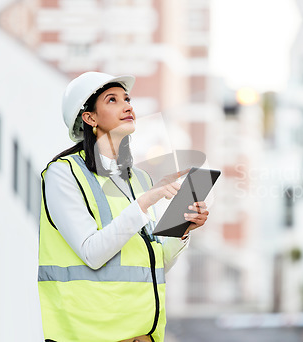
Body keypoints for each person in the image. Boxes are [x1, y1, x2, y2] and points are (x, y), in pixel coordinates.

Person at [38, 71, 209, 342]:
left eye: (127, 98)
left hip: (143, 336)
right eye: (112, 100)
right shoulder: (64, 174)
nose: (128, 105)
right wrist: (144, 203)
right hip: (89, 335)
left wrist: (182, 227)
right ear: (89, 118)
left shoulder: (140, 179)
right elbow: (92, 253)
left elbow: (157, 263)